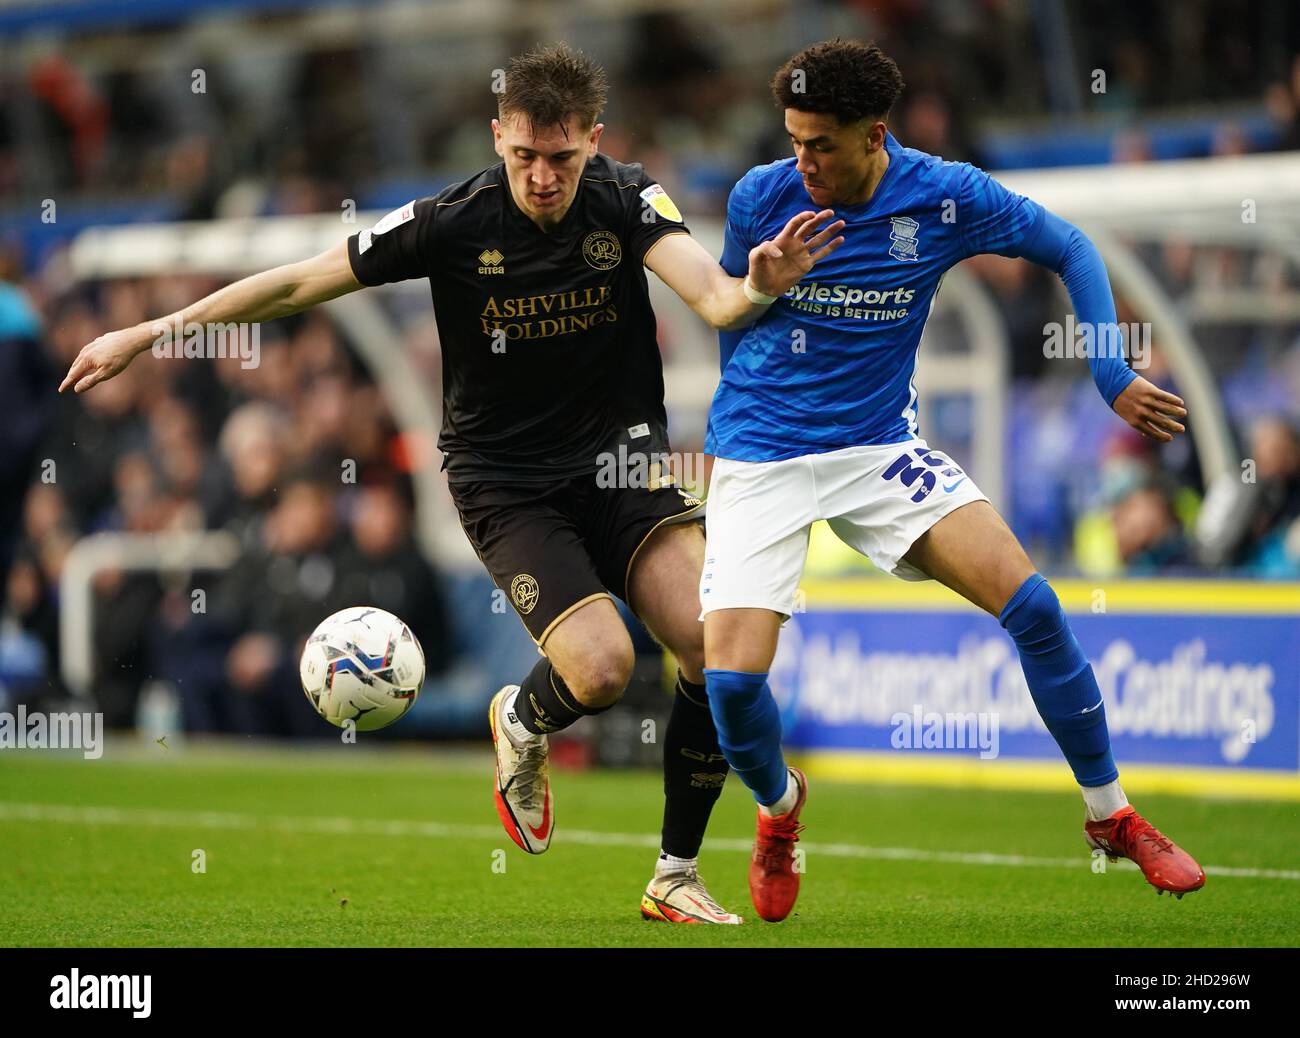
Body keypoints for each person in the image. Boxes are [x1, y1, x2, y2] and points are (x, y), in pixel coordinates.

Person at [59, 43, 844, 925]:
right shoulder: (452, 221)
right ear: (497, 136)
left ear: (594, 139)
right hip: (506, 483)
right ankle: (522, 720)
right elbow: (295, 285)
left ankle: (674, 873)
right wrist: (151, 330)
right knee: (603, 670)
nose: (543, 177)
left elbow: (713, 297)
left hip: (624, 466)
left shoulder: (625, 198)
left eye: (563, 158)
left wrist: (755, 288)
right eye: (524, 157)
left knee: (706, 642)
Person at [699, 39, 1205, 922]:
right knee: (733, 689)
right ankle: (781, 811)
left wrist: (1109, 368)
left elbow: (1071, 247)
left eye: (821, 143)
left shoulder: (945, 195)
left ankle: (1112, 816)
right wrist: (757, 333)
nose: (803, 161)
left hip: (876, 452)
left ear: (876, 136)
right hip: (761, 452)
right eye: (793, 140)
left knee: (1037, 608)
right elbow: (729, 319)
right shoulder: (760, 196)